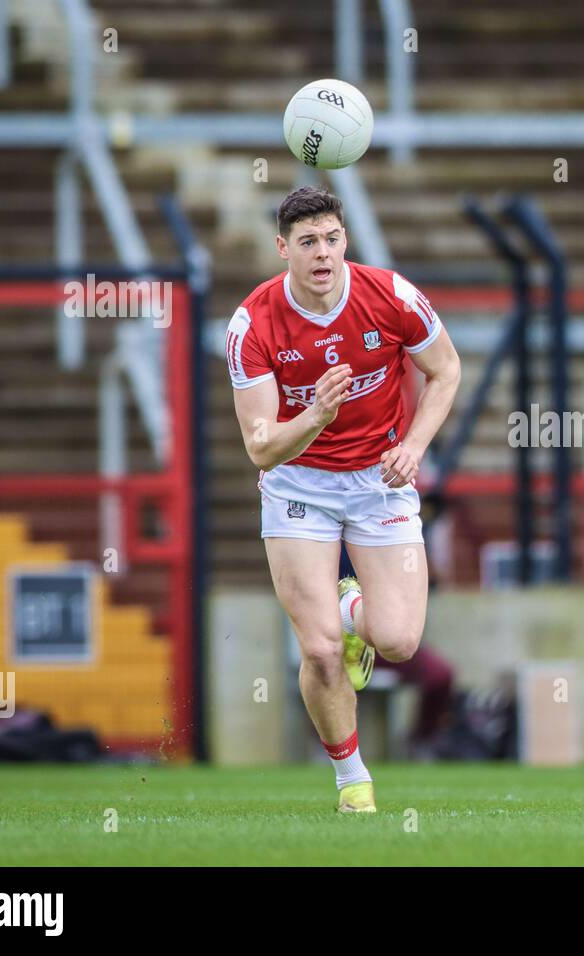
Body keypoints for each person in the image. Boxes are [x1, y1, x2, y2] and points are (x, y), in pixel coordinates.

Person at [226, 185, 461, 812]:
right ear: (284, 249)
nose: (322, 253)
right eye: (307, 243)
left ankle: (352, 602)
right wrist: (318, 415)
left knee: (400, 642)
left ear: (345, 241)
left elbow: (446, 370)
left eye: (331, 239)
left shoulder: (392, 296)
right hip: (298, 485)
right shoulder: (253, 323)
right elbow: (261, 447)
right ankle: (352, 780)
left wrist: (413, 445)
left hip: (379, 481)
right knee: (322, 650)